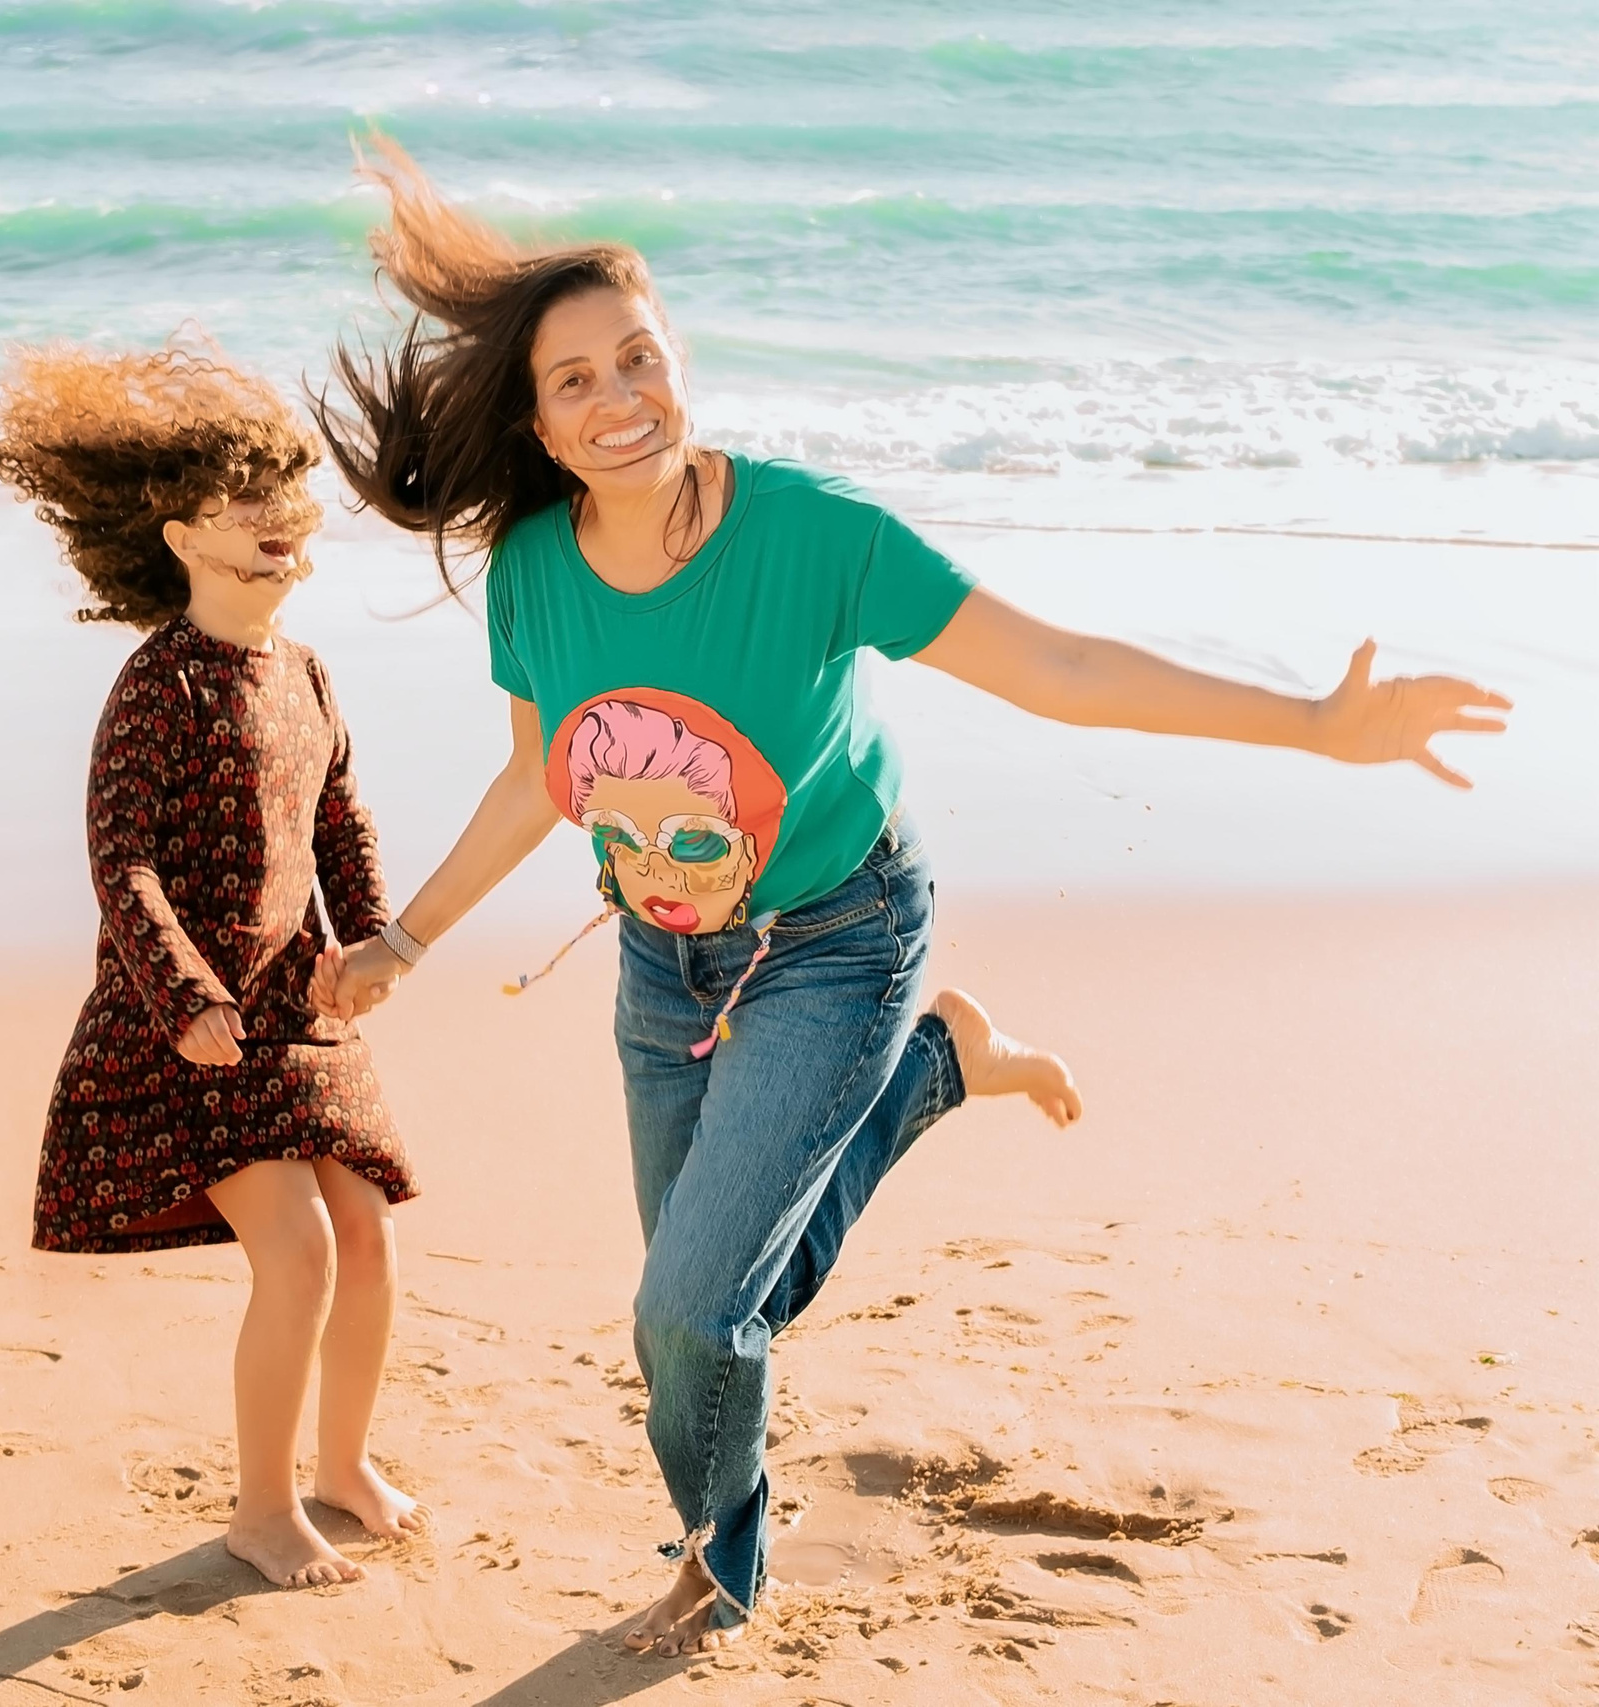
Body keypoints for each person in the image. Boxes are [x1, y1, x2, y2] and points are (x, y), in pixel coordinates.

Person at [308, 139, 1511, 1655]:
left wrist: (1315, 723)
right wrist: (406, 937)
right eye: (576, 384)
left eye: (641, 358)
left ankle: (720, 1556)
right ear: (537, 425)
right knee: (717, 1306)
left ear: (681, 360)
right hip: (663, 966)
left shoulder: (816, 538)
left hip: (841, 940)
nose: (621, 401)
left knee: (688, 1313)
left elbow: (1058, 668)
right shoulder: (536, 573)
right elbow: (544, 772)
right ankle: (938, 1073)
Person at [0, 341, 426, 1591]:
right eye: (242, 509)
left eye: (289, 502)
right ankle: (261, 1510)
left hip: (302, 1004)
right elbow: (124, 866)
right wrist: (186, 999)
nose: (278, 525)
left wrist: (374, 938)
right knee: (300, 1254)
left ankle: (342, 1466)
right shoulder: (156, 681)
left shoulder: (310, 671)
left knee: (369, 1239)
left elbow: (340, 822)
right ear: (178, 537)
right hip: (187, 1023)